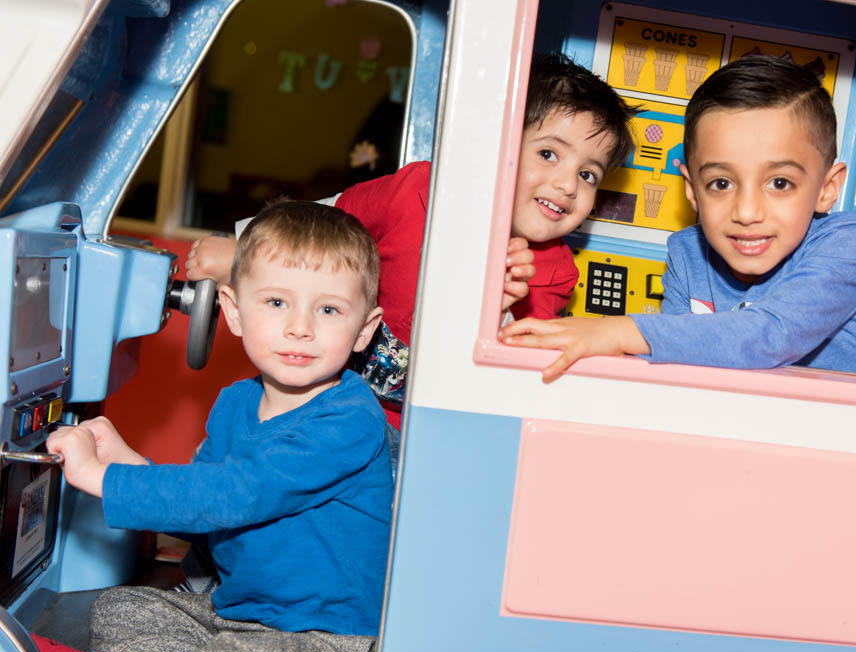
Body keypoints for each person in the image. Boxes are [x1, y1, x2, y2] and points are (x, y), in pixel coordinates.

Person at [185, 52, 640, 413]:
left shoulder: (553, 272)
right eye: (548, 154)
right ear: (496, 145)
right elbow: (326, 219)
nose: (567, 185)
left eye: (588, 175)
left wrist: (498, 309)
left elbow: (515, 374)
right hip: (323, 395)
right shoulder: (419, 190)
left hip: (418, 430)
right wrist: (243, 248)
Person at [47, 200, 392, 652]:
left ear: (364, 331)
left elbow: (235, 494)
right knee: (120, 609)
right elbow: (206, 513)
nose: (300, 328)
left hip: (331, 639)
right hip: (237, 619)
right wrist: (125, 463)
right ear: (233, 311)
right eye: (276, 303)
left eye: (328, 309)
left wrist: (102, 478)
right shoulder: (234, 403)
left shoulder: (350, 420)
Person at [500, 55, 856, 382]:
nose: (747, 212)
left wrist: (619, 331)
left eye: (779, 183)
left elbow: (771, 335)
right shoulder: (688, 255)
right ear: (692, 189)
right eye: (721, 183)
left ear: (827, 188)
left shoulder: (848, 243)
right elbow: (675, 372)